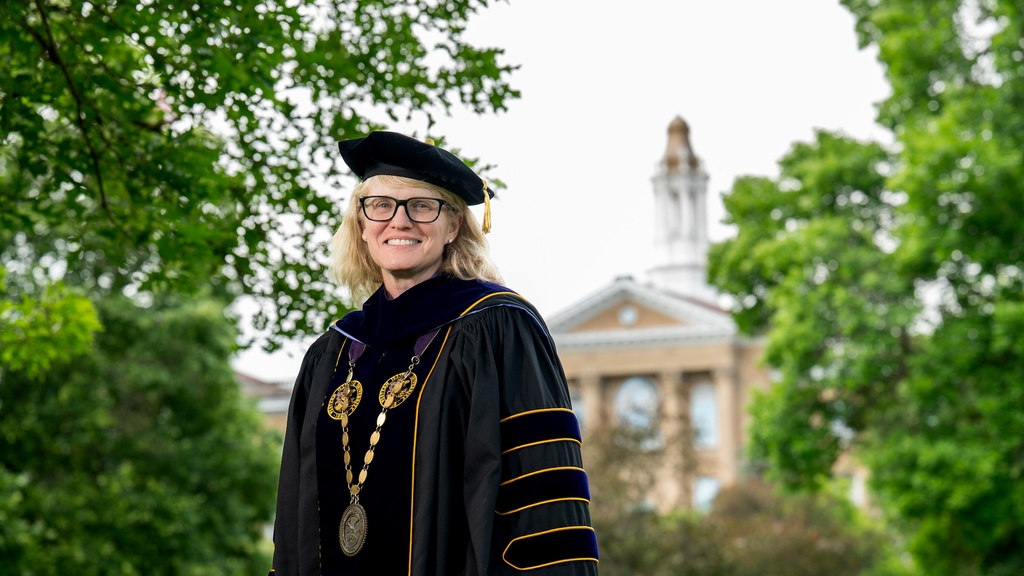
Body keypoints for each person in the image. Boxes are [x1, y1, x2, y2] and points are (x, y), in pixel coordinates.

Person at [270, 131, 599, 576]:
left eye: (423, 206)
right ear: (362, 226)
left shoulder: (499, 328)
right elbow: (294, 511)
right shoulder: (332, 353)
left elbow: (542, 494)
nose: (399, 222)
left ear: (453, 226)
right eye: (381, 205)